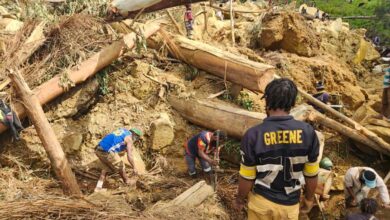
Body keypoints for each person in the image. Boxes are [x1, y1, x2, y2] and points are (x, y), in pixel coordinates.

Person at [234, 78, 320, 219]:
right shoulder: (308, 133)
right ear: (292, 103)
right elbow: (311, 174)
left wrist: (239, 199)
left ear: (267, 102)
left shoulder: (253, 135)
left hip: (261, 203)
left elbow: (247, 176)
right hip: (289, 207)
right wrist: (309, 199)